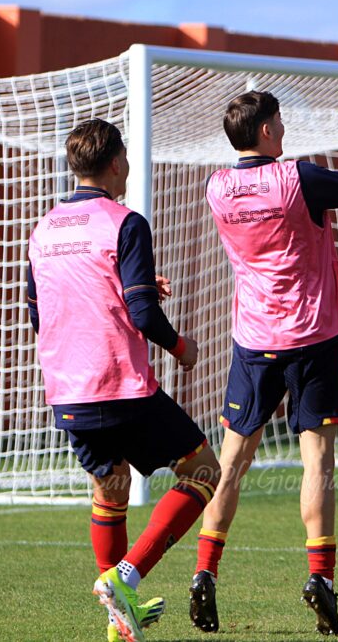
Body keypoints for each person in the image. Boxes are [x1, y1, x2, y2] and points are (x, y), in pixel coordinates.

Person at [190, 84, 338, 637]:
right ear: (268, 131)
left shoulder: (216, 187)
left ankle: (204, 573)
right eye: (279, 122)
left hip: (254, 340)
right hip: (313, 336)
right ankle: (321, 579)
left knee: (231, 464)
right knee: (316, 464)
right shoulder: (296, 177)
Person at [27, 118, 222, 642]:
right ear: (115, 163)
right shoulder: (126, 222)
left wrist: (124, 295)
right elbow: (141, 314)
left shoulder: (44, 228)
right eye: (127, 160)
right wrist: (182, 347)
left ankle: (118, 619)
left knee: (110, 492)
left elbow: (40, 308)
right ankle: (126, 576)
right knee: (204, 471)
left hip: (67, 388)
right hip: (120, 383)